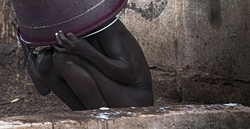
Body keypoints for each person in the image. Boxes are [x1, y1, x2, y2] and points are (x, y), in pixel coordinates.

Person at [17, 17, 154, 110]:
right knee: (44, 59)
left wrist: (85, 51)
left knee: (65, 59)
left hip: (136, 100)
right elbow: (43, 88)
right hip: (113, 97)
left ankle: (101, 122)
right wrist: (23, 37)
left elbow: (128, 75)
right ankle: (87, 117)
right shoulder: (60, 29)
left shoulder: (104, 22)